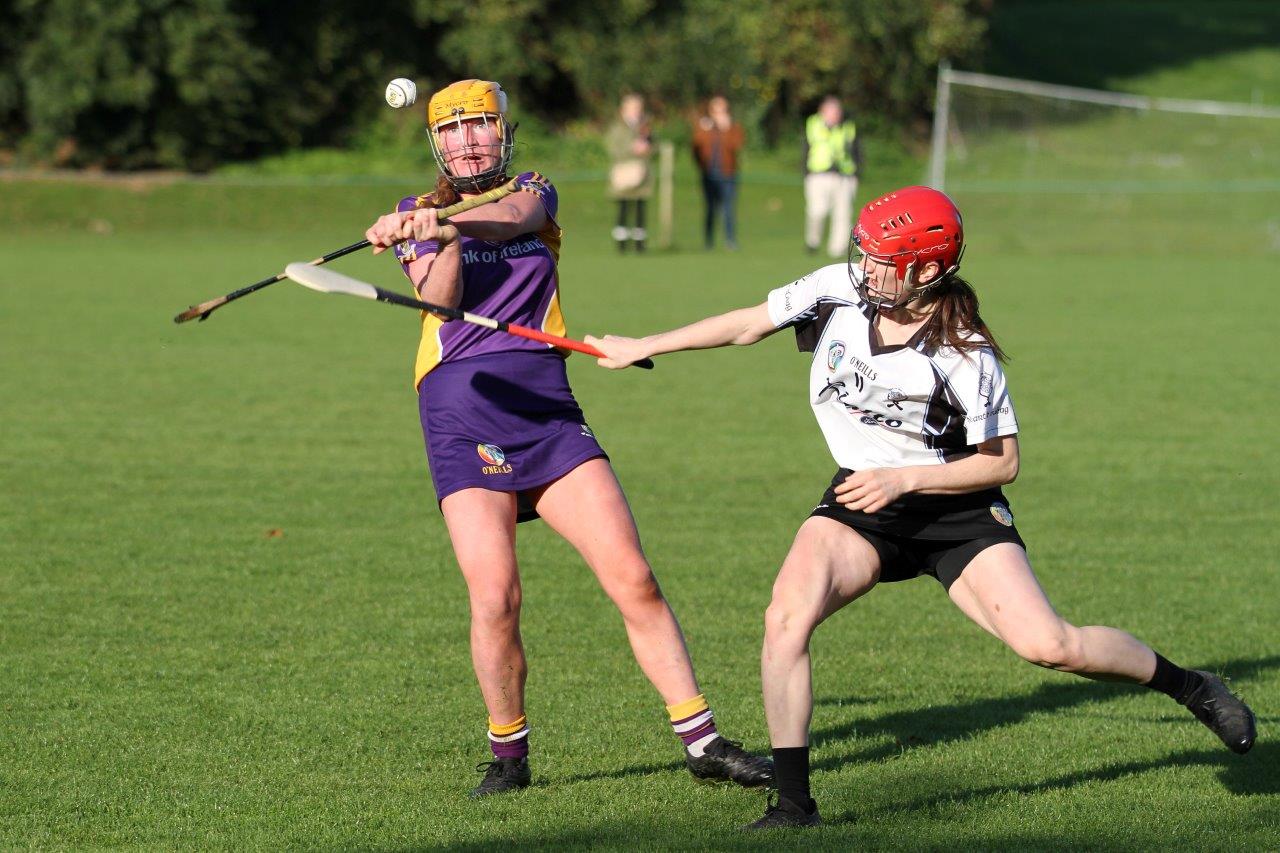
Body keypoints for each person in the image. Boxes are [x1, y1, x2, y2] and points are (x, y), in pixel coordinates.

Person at [586, 185, 1257, 828]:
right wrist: (646, 344)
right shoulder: (838, 290)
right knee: (785, 617)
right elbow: (748, 323)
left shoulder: (965, 354)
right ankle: (794, 805)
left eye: (885, 259)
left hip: (953, 509)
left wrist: (904, 479)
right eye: (867, 251)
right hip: (861, 501)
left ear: (929, 268)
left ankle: (1190, 685)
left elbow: (1003, 462)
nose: (868, 268)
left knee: (1050, 645)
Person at [362, 79, 773, 798]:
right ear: (437, 143)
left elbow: (513, 217)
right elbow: (440, 302)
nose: (467, 141)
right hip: (464, 408)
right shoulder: (412, 212)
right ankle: (509, 753)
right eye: (452, 130)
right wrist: (427, 231)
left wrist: (454, 225)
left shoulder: (535, 189)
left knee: (634, 577)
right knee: (496, 597)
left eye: (479, 125)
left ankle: (702, 741)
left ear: (503, 132)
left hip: (548, 406)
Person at [803, 95, 862, 257]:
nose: (835, 115)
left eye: (837, 111)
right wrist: (806, 174)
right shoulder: (813, 125)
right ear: (822, 111)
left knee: (843, 214)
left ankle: (837, 249)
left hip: (844, 176)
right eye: (831, 111)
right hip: (818, 175)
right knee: (817, 211)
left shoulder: (848, 127)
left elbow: (857, 151)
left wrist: (857, 174)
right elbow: (806, 149)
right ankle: (812, 241)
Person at [691, 95, 745, 250]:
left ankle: (730, 240)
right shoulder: (704, 127)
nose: (719, 113)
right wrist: (701, 166)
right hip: (708, 173)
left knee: (728, 209)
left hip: (728, 173)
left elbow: (736, 146)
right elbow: (695, 147)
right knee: (710, 208)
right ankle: (708, 241)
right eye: (716, 110)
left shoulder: (733, 127)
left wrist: (726, 129)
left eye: (723, 109)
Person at [605, 93, 654, 253]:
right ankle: (622, 243)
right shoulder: (617, 127)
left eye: (638, 108)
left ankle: (640, 243)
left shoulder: (645, 126)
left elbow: (654, 145)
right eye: (633, 108)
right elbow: (613, 149)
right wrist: (632, 149)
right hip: (623, 173)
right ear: (624, 109)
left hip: (642, 174)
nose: (636, 111)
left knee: (640, 207)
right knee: (623, 207)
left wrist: (648, 147)